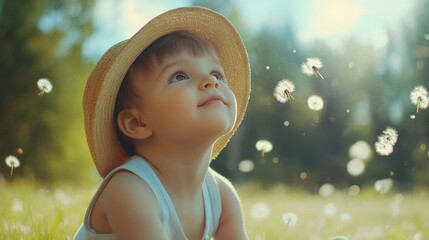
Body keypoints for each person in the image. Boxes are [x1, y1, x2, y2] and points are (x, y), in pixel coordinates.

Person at [73, 6, 251, 240]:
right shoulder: (130, 189)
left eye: (217, 74)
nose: (211, 81)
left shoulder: (221, 195)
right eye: (180, 76)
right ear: (136, 122)